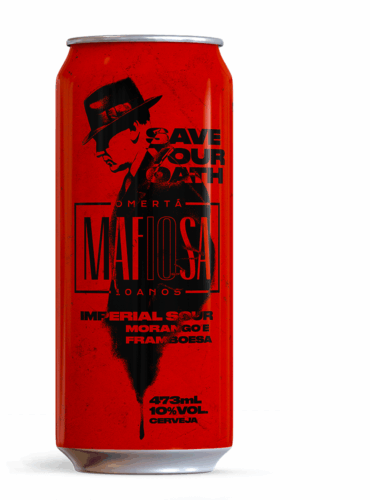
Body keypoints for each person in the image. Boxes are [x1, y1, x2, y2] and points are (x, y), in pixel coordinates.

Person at [83, 78, 215, 436]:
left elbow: (198, 273)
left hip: (165, 346)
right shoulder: (132, 181)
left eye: (104, 138)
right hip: (134, 348)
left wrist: (170, 336)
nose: (99, 151)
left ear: (136, 128)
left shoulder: (173, 179)